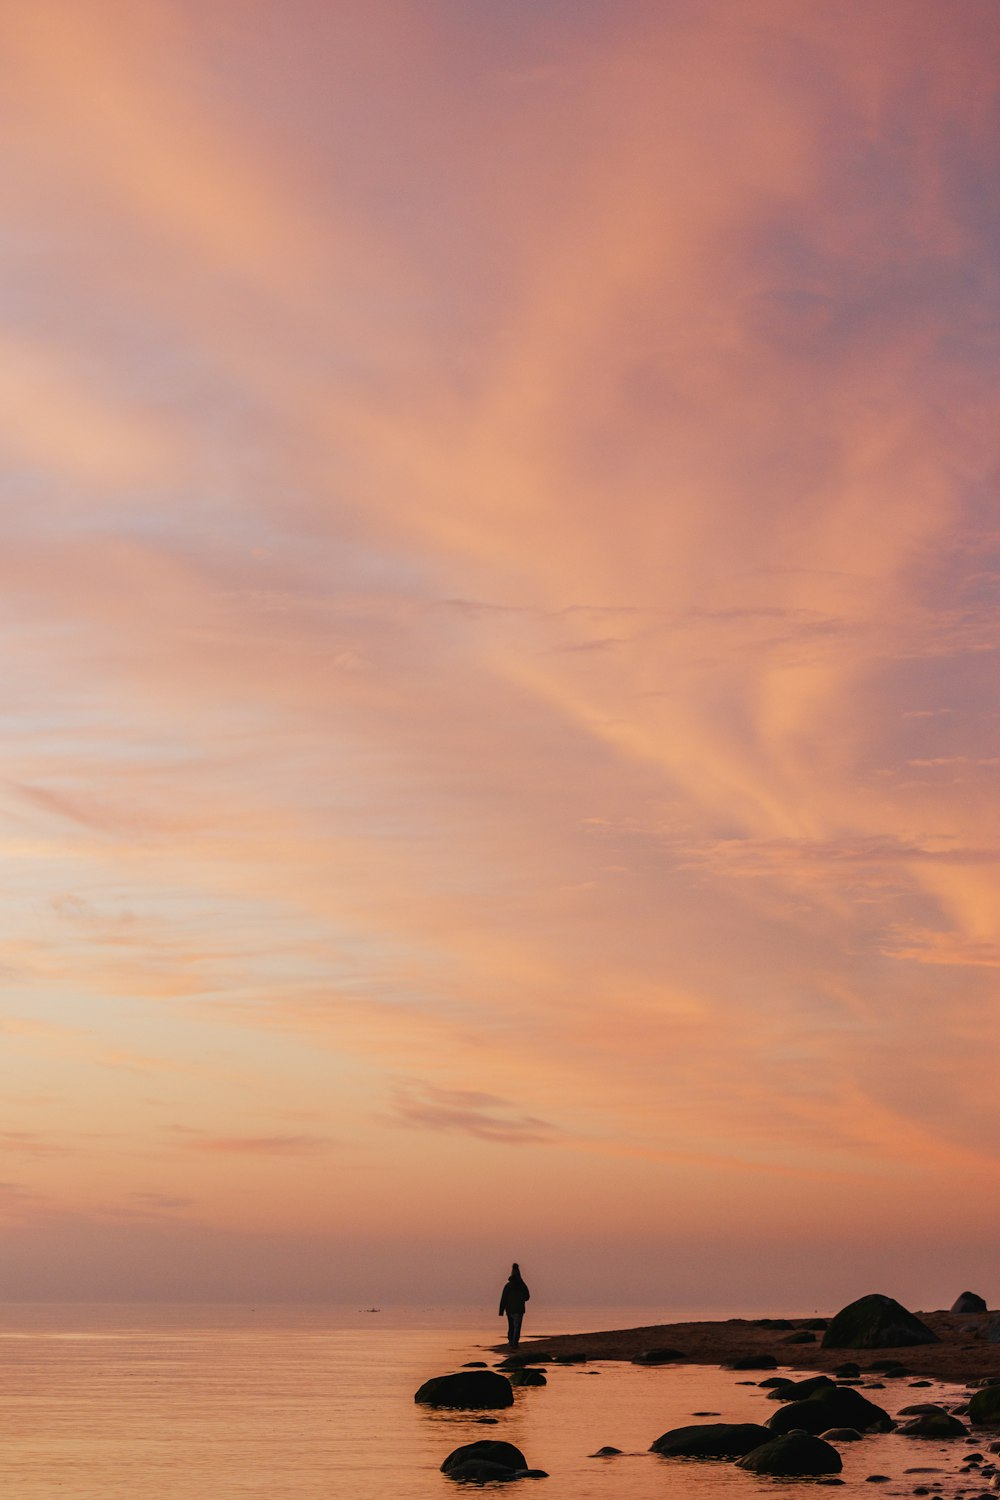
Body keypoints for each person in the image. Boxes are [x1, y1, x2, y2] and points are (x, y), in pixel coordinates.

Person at [498, 1262, 530, 1347]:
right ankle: (515, 1342)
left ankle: (511, 1341)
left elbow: (503, 1298)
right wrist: (521, 1299)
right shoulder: (522, 1286)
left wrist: (501, 1310)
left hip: (510, 1309)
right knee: (517, 1327)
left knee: (511, 1326)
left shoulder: (508, 1286)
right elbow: (527, 1297)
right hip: (519, 1309)